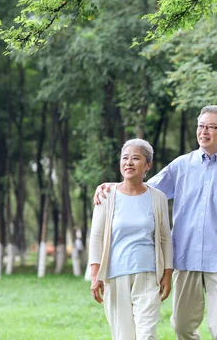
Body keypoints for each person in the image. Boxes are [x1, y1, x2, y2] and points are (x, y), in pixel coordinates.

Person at [95, 105, 217, 340]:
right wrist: (112, 188)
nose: (204, 131)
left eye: (211, 127)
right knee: (183, 327)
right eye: (201, 126)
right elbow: (144, 188)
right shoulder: (181, 166)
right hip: (186, 258)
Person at [89, 138, 173, 340]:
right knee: (123, 336)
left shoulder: (157, 197)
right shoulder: (107, 195)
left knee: (146, 335)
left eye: (136, 158)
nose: (129, 163)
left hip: (149, 274)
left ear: (148, 165)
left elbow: (165, 238)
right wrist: (95, 275)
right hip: (116, 275)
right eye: (125, 158)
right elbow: (96, 237)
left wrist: (168, 274)